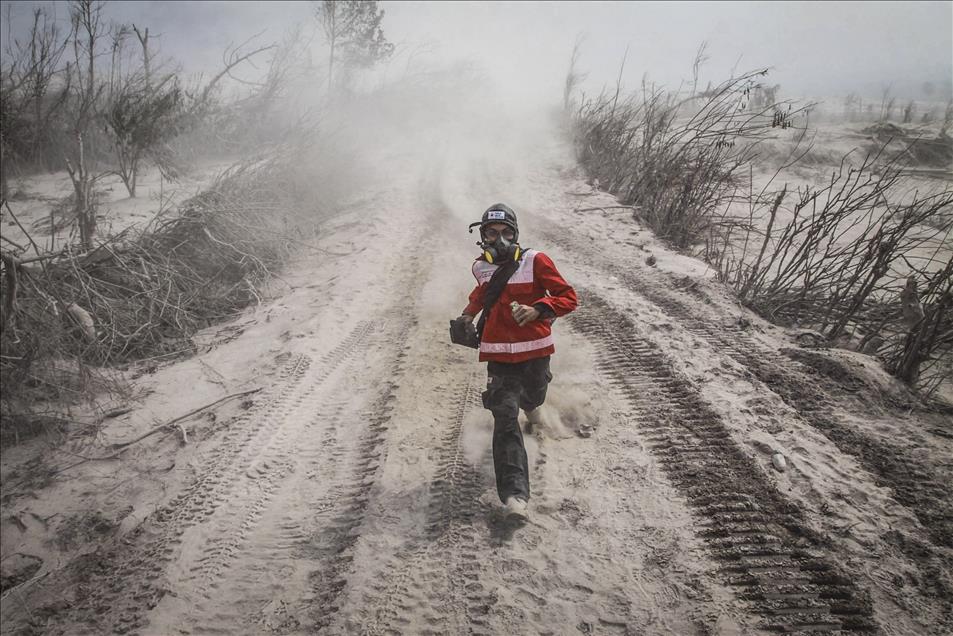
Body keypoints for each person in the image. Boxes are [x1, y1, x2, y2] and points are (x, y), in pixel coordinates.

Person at [456, 203, 577, 520]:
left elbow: (568, 297)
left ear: (516, 233)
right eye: (491, 233)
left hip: (536, 351)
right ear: (482, 236)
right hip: (498, 355)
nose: (499, 239)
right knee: (505, 418)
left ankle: (534, 410)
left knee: (532, 397)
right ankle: (515, 496)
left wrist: (538, 309)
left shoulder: (535, 260)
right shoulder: (481, 267)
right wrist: (467, 316)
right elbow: (482, 294)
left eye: (505, 232)